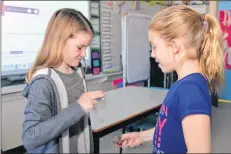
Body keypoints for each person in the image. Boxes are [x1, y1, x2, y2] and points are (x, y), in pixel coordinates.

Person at [120, 5, 224, 153]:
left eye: (154, 47)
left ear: (174, 46)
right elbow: (168, 126)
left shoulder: (191, 91)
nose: (152, 54)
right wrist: (141, 136)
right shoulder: (182, 85)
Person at [21, 8, 104, 153]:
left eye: (86, 48)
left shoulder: (77, 73)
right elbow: (30, 138)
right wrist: (79, 107)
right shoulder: (43, 82)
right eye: (80, 47)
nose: (84, 54)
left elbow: (80, 124)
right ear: (60, 41)